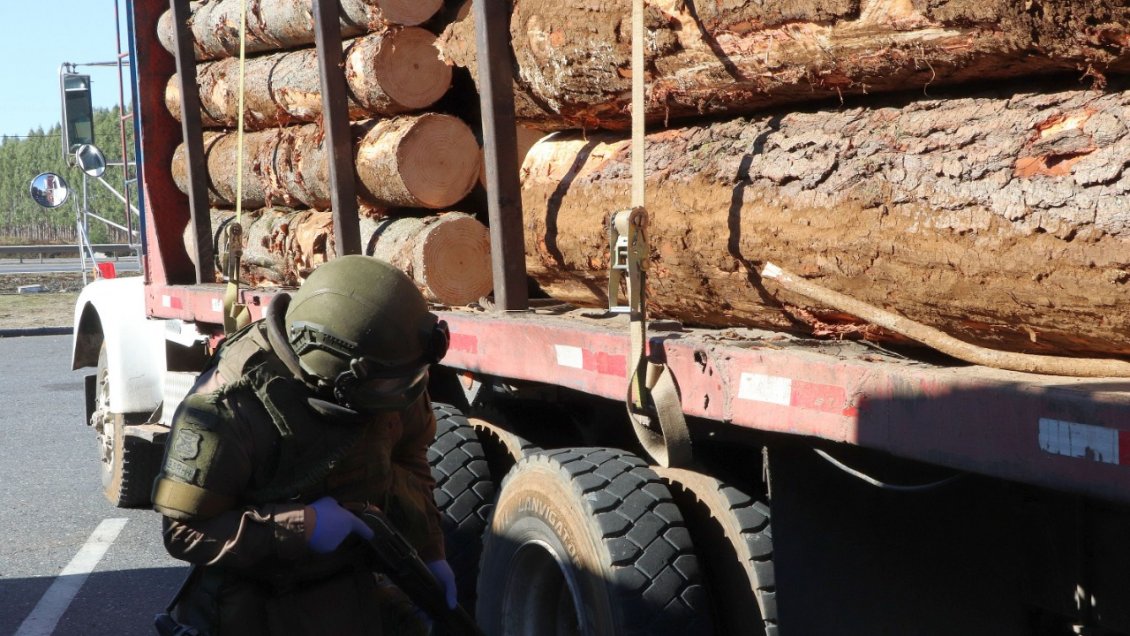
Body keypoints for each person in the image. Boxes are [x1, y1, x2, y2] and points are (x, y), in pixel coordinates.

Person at [151, 255, 456, 635]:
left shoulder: (393, 372)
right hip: (258, 604)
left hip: (350, 588)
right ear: (336, 377)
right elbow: (184, 532)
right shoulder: (230, 408)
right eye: (391, 387)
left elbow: (410, 455)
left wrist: (431, 553)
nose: (406, 395)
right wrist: (301, 526)